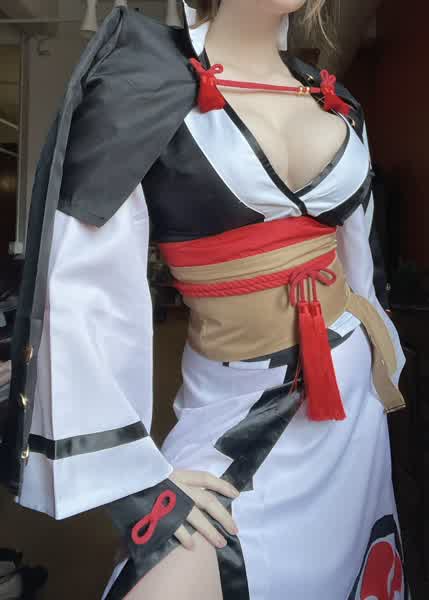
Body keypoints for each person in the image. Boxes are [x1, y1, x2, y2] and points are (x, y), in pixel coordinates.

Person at [1, 1, 408, 598]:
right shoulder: (139, 84)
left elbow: (360, 255)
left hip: (351, 400)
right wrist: (137, 484)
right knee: (174, 570)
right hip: (239, 402)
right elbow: (77, 288)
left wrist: (382, 358)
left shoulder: (332, 98)